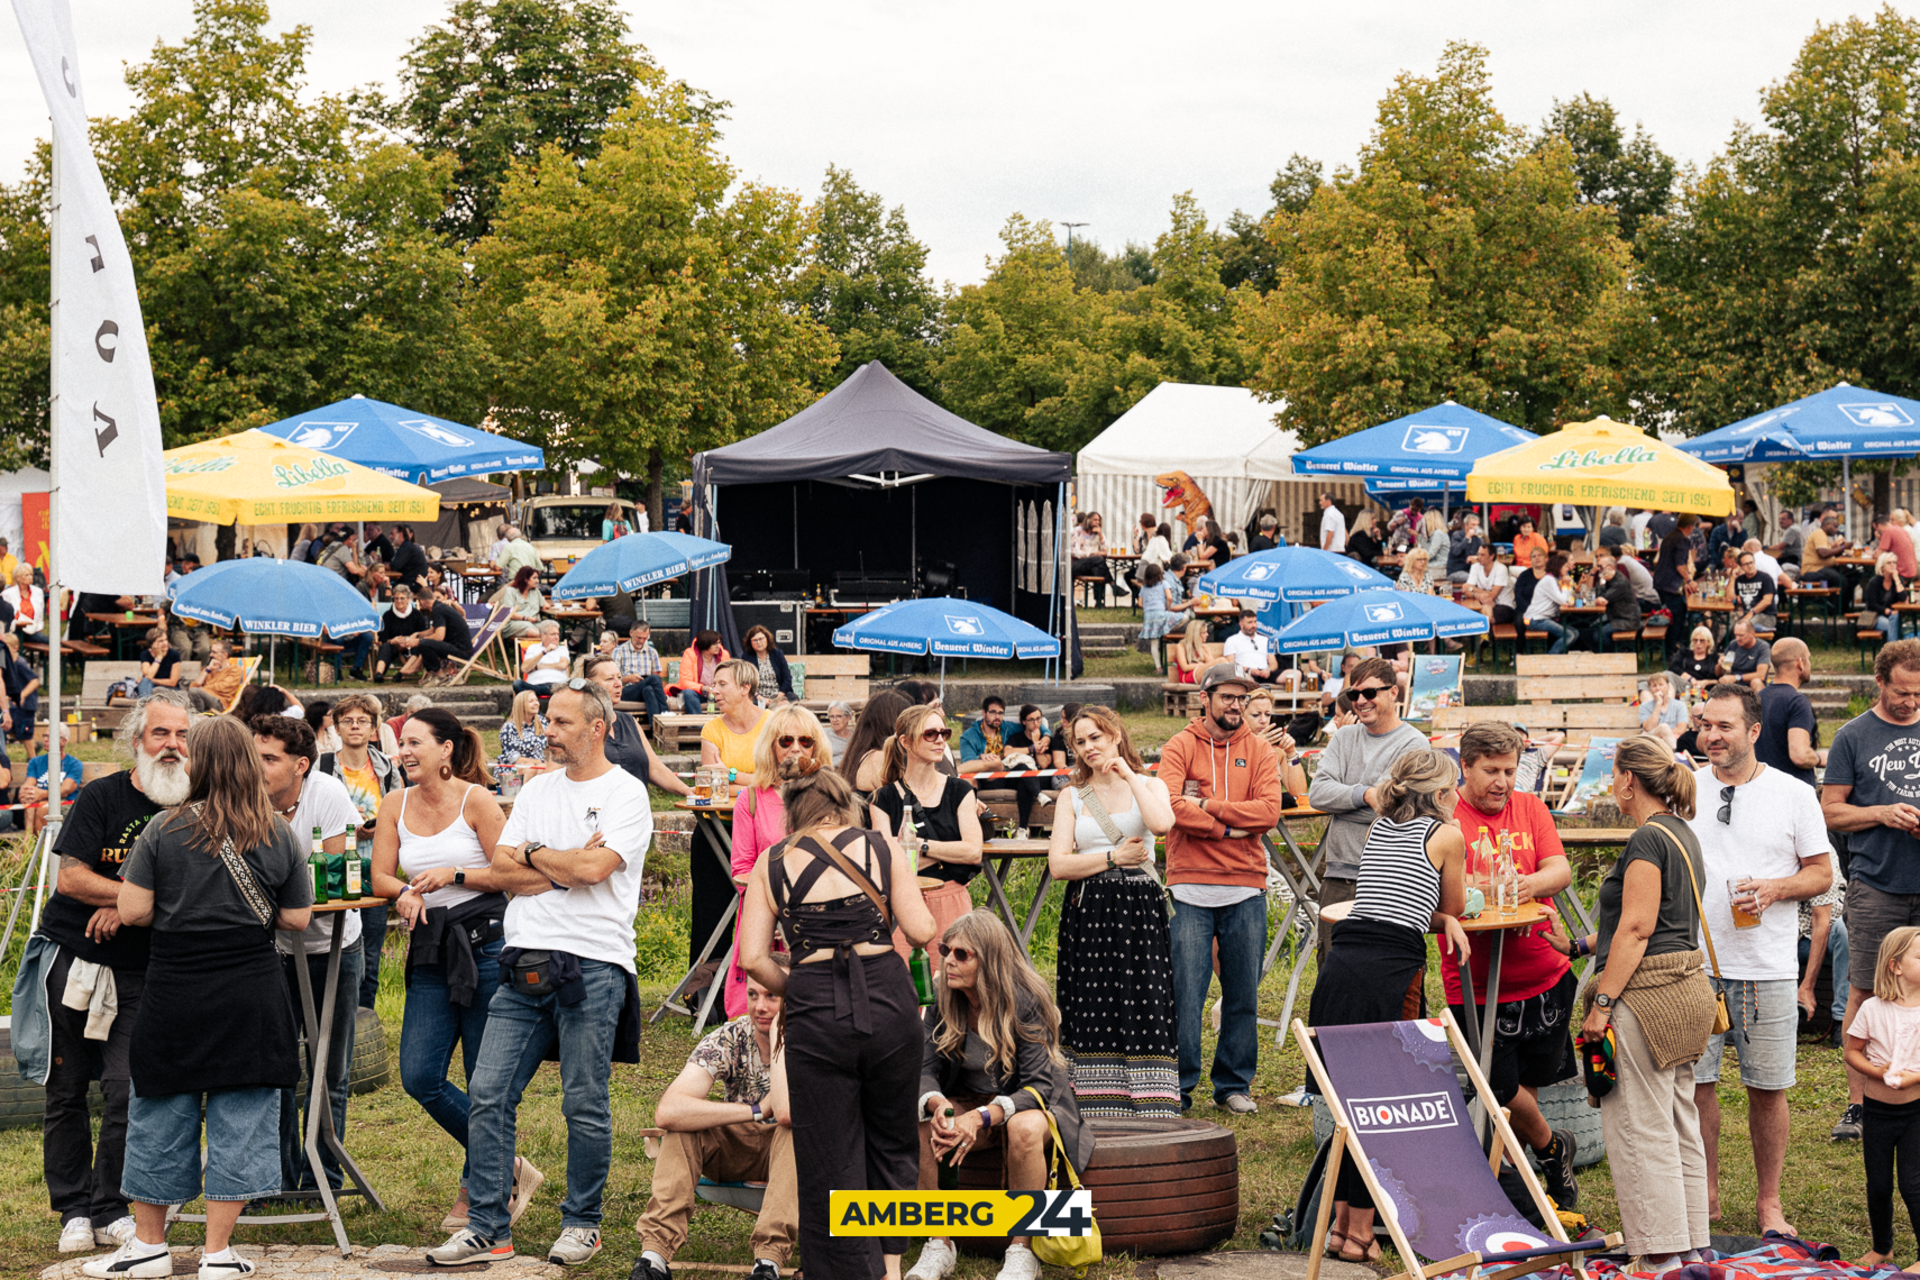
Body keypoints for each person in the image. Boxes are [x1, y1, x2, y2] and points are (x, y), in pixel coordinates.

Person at [427, 679, 652, 1267]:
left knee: (583, 1100)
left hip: (593, 962)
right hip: (521, 960)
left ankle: (583, 1223)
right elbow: (503, 870)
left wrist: (536, 854)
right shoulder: (535, 789)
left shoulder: (627, 793)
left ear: (598, 727)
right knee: (487, 1092)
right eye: (546, 721)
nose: (546, 732)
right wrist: (558, 859)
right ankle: (487, 1228)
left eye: (559, 722)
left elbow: (597, 867)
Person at [91, 716, 312, 1280]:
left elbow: (135, 912)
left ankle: (148, 1248)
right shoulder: (280, 833)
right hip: (250, 990)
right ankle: (217, 1253)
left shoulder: (162, 830)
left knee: (161, 1109)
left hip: (176, 988)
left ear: (198, 763)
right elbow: (295, 918)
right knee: (242, 1115)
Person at [737, 766, 935, 1280]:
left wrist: (800, 989)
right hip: (888, 1001)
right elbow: (920, 928)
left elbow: (754, 958)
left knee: (828, 1152)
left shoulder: (770, 861)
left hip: (814, 1008)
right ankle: (890, 1266)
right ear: (845, 804)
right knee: (893, 1137)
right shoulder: (880, 845)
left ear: (792, 813)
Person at [14, 693, 190, 1259]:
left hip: (143, 970)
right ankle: (71, 1209)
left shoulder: (195, 805)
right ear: (137, 741)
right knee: (65, 1092)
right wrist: (135, 896)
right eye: (160, 734)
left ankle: (111, 1205)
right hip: (74, 959)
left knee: (124, 1089)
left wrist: (130, 906)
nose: (172, 746)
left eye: (182, 735)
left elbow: (198, 883)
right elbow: (70, 879)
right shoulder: (101, 796)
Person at [1552, 735, 1715, 1272]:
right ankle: (1690, 1245)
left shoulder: (1646, 838)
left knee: (1640, 1126)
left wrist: (1601, 1005)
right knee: (1677, 1118)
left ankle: (1661, 1257)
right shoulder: (1680, 832)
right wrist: (1578, 945)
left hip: (1646, 996)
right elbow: (1649, 919)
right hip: (1687, 991)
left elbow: (1640, 928)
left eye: (1615, 775)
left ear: (1628, 780)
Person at [368, 707, 532, 1234]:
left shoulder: (476, 799)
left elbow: (512, 872)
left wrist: (455, 872)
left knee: (486, 1085)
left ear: (445, 750)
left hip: (486, 949)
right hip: (431, 953)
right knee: (419, 1076)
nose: (405, 752)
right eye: (401, 744)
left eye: (415, 742)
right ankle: (504, 1166)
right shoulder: (394, 802)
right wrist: (405, 893)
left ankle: (476, 1192)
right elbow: (379, 876)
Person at [1308, 747, 1469, 1262]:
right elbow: (1454, 905)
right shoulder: (1447, 835)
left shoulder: (1381, 828)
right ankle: (1362, 1234)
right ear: (1442, 795)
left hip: (1345, 957)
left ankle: (1338, 1229)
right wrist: (1449, 920)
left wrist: (1438, 918)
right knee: (1380, 1101)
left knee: (1346, 1101)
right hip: (1392, 968)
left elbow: (1390, 895)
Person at [1683, 682, 1832, 1235]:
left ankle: (1770, 1203)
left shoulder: (1792, 794)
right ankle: (1708, 1196)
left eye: (1724, 726)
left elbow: (1821, 873)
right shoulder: (1684, 788)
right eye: (1705, 725)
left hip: (1766, 965)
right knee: (1697, 1085)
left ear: (1752, 731)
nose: (1712, 735)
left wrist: (1773, 889)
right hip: (1695, 965)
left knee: (1768, 1088)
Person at [906, 911, 1091, 1280]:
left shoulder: (1026, 1000)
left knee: (1022, 1129)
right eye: (946, 950)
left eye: (963, 954)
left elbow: (1039, 1086)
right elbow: (923, 1070)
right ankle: (939, 1243)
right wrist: (938, 1103)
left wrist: (982, 1116)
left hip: (1032, 1104)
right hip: (972, 1098)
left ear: (988, 961)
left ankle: (1022, 1250)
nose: (949, 960)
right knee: (926, 1122)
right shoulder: (946, 996)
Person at [1445, 722, 1582, 1207]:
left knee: (1523, 1089)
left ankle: (1514, 1193)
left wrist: (1532, 884)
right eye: (1491, 771)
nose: (1502, 782)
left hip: (1544, 973)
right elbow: (1442, 893)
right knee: (1497, 1085)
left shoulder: (1530, 807)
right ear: (1465, 766)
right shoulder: (1446, 817)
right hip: (1475, 980)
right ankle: (1552, 1148)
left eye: (1509, 770)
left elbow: (1559, 868)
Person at [251, 714, 367, 1195]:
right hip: (272, 950)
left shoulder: (328, 794)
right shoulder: (246, 797)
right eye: (254, 755)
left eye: (269, 758)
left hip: (333, 945)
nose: (256, 766)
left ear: (300, 764)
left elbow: (332, 884)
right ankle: (278, 1178)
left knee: (329, 1067)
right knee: (275, 1065)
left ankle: (324, 1177)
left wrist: (277, 896)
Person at [1160, 662, 1280, 1114]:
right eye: (1227, 696)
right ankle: (1180, 1086)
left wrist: (1208, 806)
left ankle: (1233, 1085)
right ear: (1205, 698)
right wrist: (1228, 828)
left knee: (1242, 992)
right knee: (1186, 994)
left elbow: (1268, 812)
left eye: (1242, 698)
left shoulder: (1260, 751)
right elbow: (1170, 805)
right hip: (1189, 886)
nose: (1236, 705)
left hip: (1246, 887)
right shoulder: (1179, 746)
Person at [1046, 707, 1177, 1118]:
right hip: (1090, 911)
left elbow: (1162, 825)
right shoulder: (1072, 796)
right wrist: (1111, 856)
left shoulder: (1151, 785)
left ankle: (1152, 1104)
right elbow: (1058, 865)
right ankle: (1093, 1103)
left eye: (1095, 738)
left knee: (1145, 1001)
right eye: (1080, 742)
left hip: (1140, 911)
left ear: (1116, 734)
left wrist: (1129, 776)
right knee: (1090, 1004)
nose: (1088, 748)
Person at [633, 965, 798, 1280]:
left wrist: (783, 1036)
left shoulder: (814, 1042)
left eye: (772, 996)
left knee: (793, 1130)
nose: (760, 1006)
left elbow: (792, 1113)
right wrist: (754, 1111)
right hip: (736, 1147)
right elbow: (669, 1111)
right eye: (752, 995)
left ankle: (768, 1263)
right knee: (683, 1127)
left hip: (793, 1157)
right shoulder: (730, 1036)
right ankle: (653, 1257)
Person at [1823, 639, 1920, 1142]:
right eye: (1902, 693)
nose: (1910, 703)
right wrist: (1881, 813)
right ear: (1879, 681)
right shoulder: (1853, 736)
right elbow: (1829, 810)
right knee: (1864, 989)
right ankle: (1859, 1106)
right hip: (1876, 882)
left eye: (1919, 696)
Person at [1307, 655, 1431, 954]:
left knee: (1392, 970)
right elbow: (1318, 794)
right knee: (1334, 969)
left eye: (1369, 693)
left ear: (1393, 692)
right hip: (1339, 874)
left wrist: (1346, 801)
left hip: (1392, 877)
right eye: (1354, 694)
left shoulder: (1414, 744)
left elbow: (1394, 807)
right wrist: (1364, 795)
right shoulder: (1344, 736)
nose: (1360, 701)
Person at [725, 705, 831, 1018]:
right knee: (759, 1014)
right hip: (764, 913)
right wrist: (768, 915)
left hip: (815, 917)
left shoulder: (828, 797)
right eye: (786, 740)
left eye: (805, 741)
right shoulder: (751, 798)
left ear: (817, 747)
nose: (796, 747)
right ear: (771, 745)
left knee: (814, 1013)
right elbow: (741, 869)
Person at [311, 693, 407, 1011]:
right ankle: (335, 1013)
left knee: (371, 953)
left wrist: (379, 827)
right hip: (336, 869)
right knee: (336, 948)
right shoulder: (322, 766)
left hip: (375, 868)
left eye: (362, 721)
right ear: (336, 728)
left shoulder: (388, 770)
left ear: (373, 728)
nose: (355, 726)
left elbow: (400, 816)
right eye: (348, 721)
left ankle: (365, 1020)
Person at [872, 702, 985, 951]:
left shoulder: (960, 790)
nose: (940, 740)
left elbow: (974, 852)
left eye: (944, 733)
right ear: (906, 742)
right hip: (904, 905)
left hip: (952, 902)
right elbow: (885, 864)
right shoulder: (883, 798)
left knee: (953, 983)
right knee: (904, 986)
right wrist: (950, 852)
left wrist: (917, 846)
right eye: (930, 734)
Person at [1842, 927, 1920, 1268]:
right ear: (1896, 966)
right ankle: (1882, 1247)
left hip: (1916, 1113)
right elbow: (1852, 1051)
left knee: (1913, 1184)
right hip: (1876, 1113)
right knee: (1878, 1184)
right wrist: (1878, 1072)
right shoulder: (1872, 1008)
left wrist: (1913, 1078)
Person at [1756, 637, 1824, 786]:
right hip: (1793, 795)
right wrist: (1821, 758)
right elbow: (1800, 756)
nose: (1810, 664)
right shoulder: (1797, 702)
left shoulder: (1757, 698)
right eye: (1808, 659)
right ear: (1800, 663)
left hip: (1762, 789)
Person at [700, 659, 770, 775]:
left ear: (744, 688)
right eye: (714, 685)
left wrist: (730, 776)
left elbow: (780, 783)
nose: (715, 691)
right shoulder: (711, 730)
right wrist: (759, 783)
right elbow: (712, 784)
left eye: (722, 684)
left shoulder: (773, 723)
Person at [841, 688, 912, 793]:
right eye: (907, 722)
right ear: (893, 723)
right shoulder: (881, 759)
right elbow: (899, 801)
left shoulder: (859, 755)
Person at [1653, 515, 1698, 663]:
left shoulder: (1669, 536)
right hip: (1671, 585)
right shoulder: (1683, 539)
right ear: (1690, 526)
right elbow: (1680, 565)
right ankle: (1669, 653)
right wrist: (1690, 580)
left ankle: (1672, 649)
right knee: (1675, 619)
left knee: (1673, 615)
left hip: (1661, 582)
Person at [413, 580, 474, 679]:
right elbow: (433, 630)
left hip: (461, 651)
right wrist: (417, 635)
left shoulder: (437, 610)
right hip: (461, 648)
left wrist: (419, 641)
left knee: (424, 643)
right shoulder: (439, 607)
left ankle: (438, 674)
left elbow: (439, 636)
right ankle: (434, 672)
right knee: (424, 642)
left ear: (422, 602)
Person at [1585, 552, 1642, 652]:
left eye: (1600, 567)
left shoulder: (1620, 582)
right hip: (1616, 617)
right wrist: (1601, 582)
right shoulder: (1609, 579)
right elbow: (1598, 597)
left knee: (1599, 634)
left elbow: (1602, 598)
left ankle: (1614, 655)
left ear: (1610, 567)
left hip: (1627, 620)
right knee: (1588, 632)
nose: (1598, 569)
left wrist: (1601, 582)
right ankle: (1603, 655)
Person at [372, 583, 429, 683]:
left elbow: (423, 633)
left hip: (412, 645)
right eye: (396, 598)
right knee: (385, 647)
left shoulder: (416, 614)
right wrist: (392, 641)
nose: (399, 601)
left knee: (421, 646)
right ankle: (379, 674)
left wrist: (412, 640)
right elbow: (383, 637)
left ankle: (400, 673)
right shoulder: (388, 615)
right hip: (395, 645)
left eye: (402, 598)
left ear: (408, 599)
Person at [613, 620, 667, 720]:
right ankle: (665, 712)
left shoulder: (652, 652)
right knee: (653, 679)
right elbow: (612, 679)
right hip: (626, 691)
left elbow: (657, 681)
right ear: (631, 633)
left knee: (649, 689)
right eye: (639, 637)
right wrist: (628, 679)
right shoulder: (619, 651)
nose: (641, 641)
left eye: (645, 638)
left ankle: (654, 729)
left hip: (644, 691)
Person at [1524, 551, 1573, 655]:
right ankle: (1549, 659)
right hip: (1535, 619)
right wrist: (1566, 585)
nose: (1567, 569)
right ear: (1558, 567)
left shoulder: (1555, 580)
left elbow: (1568, 598)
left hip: (1542, 618)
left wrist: (1567, 585)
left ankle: (1558, 658)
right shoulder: (1549, 580)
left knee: (1575, 633)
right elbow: (1564, 600)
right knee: (1569, 635)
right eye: (1565, 566)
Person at [671, 630, 728, 714]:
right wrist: (703, 688)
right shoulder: (690, 654)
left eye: (719, 643)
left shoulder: (724, 655)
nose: (718, 646)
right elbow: (685, 681)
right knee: (688, 693)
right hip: (698, 694)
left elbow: (729, 678)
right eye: (715, 644)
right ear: (705, 644)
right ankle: (698, 725)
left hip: (717, 693)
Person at [497, 690, 548, 780]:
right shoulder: (509, 727)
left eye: (536, 700)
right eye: (531, 701)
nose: (536, 703)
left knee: (542, 769)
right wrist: (539, 762)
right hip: (511, 768)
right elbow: (514, 759)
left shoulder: (541, 722)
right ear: (521, 705)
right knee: (531, 768)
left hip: (539, 765)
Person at [1069, 512, 1116, 606]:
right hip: (1075, 564)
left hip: (1091, 565)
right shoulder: (1078, 531)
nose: (1097, 522)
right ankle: (1112, 584)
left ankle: (1099, 602)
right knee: (1099, 559)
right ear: (1088, 520)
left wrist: (1101, 535)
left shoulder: (1098, 532)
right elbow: (1075, 552)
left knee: (1099, 568)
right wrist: (1093, 554)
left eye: (1099, 520)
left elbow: (1105, 550)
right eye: (1095, 520)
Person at [1728, 548, 1777, 638]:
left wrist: (1751, 613)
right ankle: (1722, 648)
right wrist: (1732, 578)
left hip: (1766, 616)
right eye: (1746, 564)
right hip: (1746, 614)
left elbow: (1767, 601)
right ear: (1741, 566)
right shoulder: (1740, 580)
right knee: (1727, 624)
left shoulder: (1765, 578)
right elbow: (1730, 599)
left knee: (1743, 627)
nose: (1750, 566)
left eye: (1751, 563)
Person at [1222, 608, 1280, 683]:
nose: (1253, 625)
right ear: (1241, 624)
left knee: (1296, 674)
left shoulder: (1265, 640)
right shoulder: (1232, 640)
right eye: (1250, 622)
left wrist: (1268, 670)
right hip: (1247, 673)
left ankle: (1292, 695)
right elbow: (1230, 664)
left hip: (1265, 673)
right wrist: (1248, 669)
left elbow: (1274, 663)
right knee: (1248, 679)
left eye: (1255, 622)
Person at [513, 620, 570, 695]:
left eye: (558, 634)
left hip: (557, 686)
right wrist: (544, 652)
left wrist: (537, 667)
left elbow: (563, 665)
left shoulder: (562, 648)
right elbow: (525, 668)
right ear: (543, 635)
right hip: (535, 686)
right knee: (517, 684)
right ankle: (535, 706)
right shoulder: (533, 648)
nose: (556, 637)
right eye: (553, 634)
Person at [190, 638, 246, 713]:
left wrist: (202, 689)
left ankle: (197, 718)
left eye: (214, 652)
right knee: (190, 693)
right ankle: (199, 716)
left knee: (195, 692)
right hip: (204, 698)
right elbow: (192, 686)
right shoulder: (210, 668)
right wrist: (207, 669)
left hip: (219, 702)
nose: (210, 655)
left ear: (224, 655)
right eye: (211, 652)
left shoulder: (235, 669)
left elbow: (223, 687)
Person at [742, 625, 794, 705]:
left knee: (792, 699)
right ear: (750, 642)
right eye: (755, 640)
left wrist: (778, 698)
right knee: (749, 702)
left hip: (778, 695)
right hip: (757, 696)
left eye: (761, 639)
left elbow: (787, 678)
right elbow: (745, 681)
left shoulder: (777, 654)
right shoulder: (746, 657)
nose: (758, 642)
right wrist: (759, 697)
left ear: (767, 639)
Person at [490, 566, 545, 641]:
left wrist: (547, 605)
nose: (537, 581)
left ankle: (550, 648)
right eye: (534, 578)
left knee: (551, 627)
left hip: (533, 622)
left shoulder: (535, 591)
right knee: (535, 631)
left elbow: (544, 604)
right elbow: (508, 613)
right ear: (525, 579)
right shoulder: (510, 591)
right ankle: (546, 647)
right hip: (512, 623)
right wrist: (526, 618)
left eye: (537, 578)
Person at [1467, 542, 1515, 625]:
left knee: (1482, 612)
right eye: (1478, 554)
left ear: (1492, 556)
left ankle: (1483, 636)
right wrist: (1478, 596)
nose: (1479, 557)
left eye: (1482, 555)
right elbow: (1465, 590)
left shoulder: (1501, 569)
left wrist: (1473, 589)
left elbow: (1492, 596)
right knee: (1481, 609)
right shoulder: (1475, 567)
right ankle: (1484, 636)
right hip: (1483, 602)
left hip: (1504, 605)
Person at [1719, 619, 1772, 690]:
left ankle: (1758, 701)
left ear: (1752, 633)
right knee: (1722, 682)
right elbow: (1718, 673)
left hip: (1751, 685)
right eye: (1736, 635)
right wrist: (1720, 664)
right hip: (1735, 685)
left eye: (1741, 635)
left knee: (1756, 682)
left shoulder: (1762, 647)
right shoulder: (1733, 644)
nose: (1738, 638)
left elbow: (1761, 675)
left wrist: (1736, 678)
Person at [1640, 673, 1689, 746]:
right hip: (1653, 741)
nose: (1658, 688)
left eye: (1661, 685)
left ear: (1668, 687)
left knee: (1664, 727)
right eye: (1654, 686)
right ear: (1650, 690)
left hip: (1673, 740)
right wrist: (1658, 704)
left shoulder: (1680, 705)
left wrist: (1664, 734)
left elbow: (1681, 729)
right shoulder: (1644, 706)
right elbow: (1649, 728)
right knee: (1663, 727)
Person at [134, 631, 182, 699]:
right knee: (145, 682)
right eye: (161, 641)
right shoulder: (145, 654)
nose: (165, 643)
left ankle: (146, 706)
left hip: (170, 689)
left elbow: (173, 682)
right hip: (149, 688)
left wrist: (152, 680)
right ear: (152, 644)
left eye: (166, 640)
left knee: (156, 689)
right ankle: (146, 706)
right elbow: (149, 675)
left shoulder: (174, 654)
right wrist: (158, 658)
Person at [387, 524, 431, 594]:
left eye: (392, 534)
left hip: (414, 585)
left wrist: (382, 565)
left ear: (400, 534)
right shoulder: (405, 546)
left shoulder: (406, 547)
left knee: (386, 587)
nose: (390, 536)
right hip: (411, 582)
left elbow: (394, 566)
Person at [1171, 618, 1210, 685]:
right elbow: (1185, 667)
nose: (1207, 634)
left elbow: (1213, 665)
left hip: (1204, 675)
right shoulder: (1181, 646)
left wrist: (1200, 648)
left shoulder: (1204, 647)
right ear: (1196, 635)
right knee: (1221, 660)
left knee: (1222, 661)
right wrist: (1201, 665)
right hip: (1187, 677)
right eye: (1204, 633)